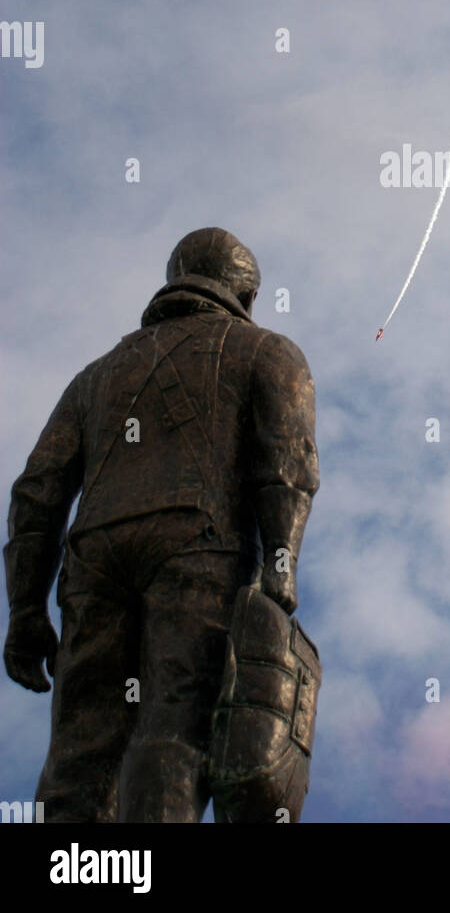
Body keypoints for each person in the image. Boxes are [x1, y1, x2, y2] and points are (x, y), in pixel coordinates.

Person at [3, 228, 318, 822]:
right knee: (174, 725)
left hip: (94, 557)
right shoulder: (269, 352)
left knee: (79, 747)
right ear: (245, 298)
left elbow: (37, 492)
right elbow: (288, 465)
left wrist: (25, 609)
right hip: (199, 547)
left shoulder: (95, 377)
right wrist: (281, 566)